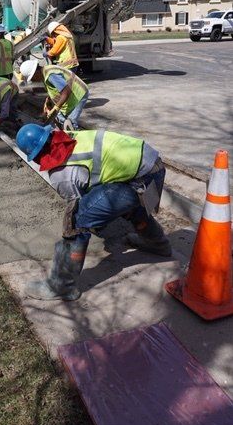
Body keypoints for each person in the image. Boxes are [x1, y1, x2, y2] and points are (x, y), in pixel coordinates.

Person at [16, 123, 171, 301]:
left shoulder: (62, 175)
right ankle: (157, 243)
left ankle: (61, 285)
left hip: (139, 180)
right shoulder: (71, 135)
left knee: (77, 220)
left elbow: (76, 203)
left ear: (35, 156)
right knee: (130, 205)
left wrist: (90, 217)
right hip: (153, 166)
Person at [20, 59, 89, 129]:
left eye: (32, 78)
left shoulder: (51, 75)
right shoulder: (45, 72)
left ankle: (75, 134)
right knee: (61, 118)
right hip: (71, 94)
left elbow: (66, 91)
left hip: (79, 94)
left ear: (35, 72)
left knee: (70, 123)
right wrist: (49, 100)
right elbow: (55, 89)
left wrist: (56, 107)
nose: (32, 80)